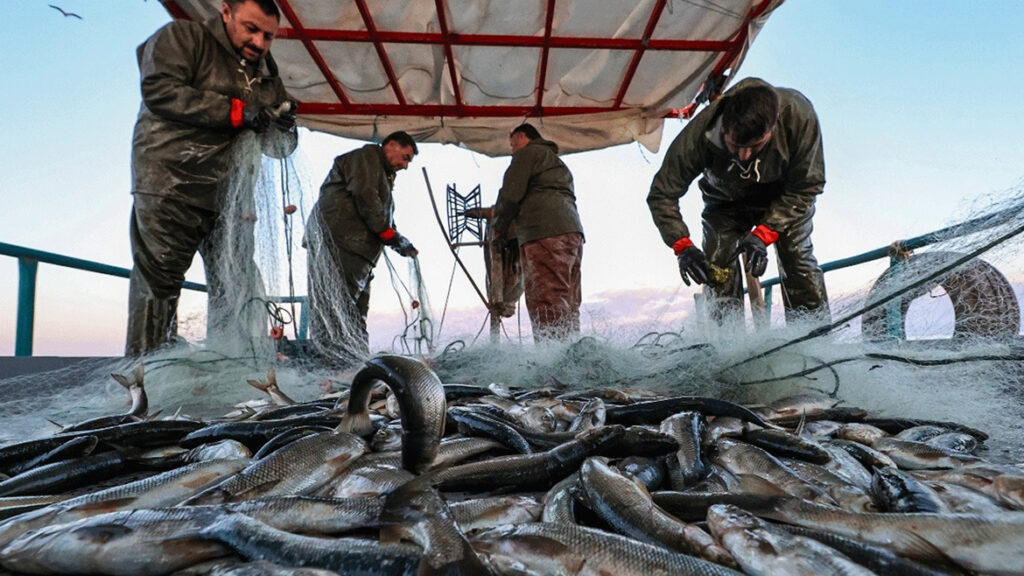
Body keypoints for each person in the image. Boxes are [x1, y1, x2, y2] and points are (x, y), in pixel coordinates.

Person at [125, 0, 297, 356]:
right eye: (251, 28)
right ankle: (143, 383)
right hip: (173, 183)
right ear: (225, 11)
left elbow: (280, 149)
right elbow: (160, 89)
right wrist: (238, 111)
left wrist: (285, 127)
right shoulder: (185, 37)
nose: (259, 42)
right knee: (159, 284)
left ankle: (230, 372)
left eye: (268, 35)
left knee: (234, 288)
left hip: (232, 198)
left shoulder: (266, 74)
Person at [647, 77, 829, 323]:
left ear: (773, 127)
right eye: (735, 146)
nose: (744, 156)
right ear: (724, 126)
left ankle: (814, 340)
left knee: (797, 258)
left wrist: (763, 233)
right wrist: (683, 247)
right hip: (725, 203)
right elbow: (662, 193)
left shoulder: (799, 116)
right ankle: (727, 347)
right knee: (717, 265)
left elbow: (808, 185)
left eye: (754, 147)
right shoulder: (701, 132)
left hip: (785, 199)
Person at [305, 131, 419, 366]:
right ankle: (330, 367)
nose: (405, 166)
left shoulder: (384, 178)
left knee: (354, 314)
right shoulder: (367, 157)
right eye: (405, 157)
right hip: (339, 243)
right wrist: (388, 234)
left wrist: (400, 242)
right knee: (333, 307)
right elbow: (365, 197)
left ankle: (353, 366)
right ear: (391, 145)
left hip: (360, 254)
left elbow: (382, 217)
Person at [491, 123, 585, 341]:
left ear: (521, 136)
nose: (512, 148)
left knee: (545, 298)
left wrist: (498, 229)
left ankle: (551, 362)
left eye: (512, 143)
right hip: (571, 233)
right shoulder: (556, 163)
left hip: (543, 234)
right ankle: (572, 355)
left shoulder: (527, 154)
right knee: (568, 301)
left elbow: (510, 196)